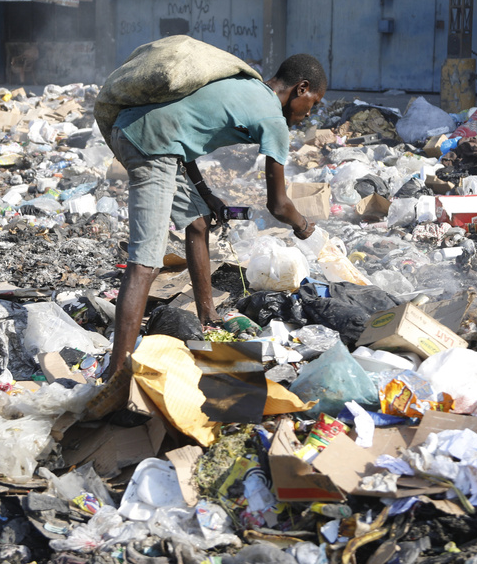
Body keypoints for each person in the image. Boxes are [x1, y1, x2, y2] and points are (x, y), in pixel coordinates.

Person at [103, 53, 326, 378]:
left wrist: (206, 195)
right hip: (149, 142)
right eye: (314, 103)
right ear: (301, 88)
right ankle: (117, 376)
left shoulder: (247, 88)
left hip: (143, 132)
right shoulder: (275, 121)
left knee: (198, 221)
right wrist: (305, 228)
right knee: (144, 263)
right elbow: (278, 205)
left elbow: (182, 134)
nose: (310, 114)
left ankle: (208, 316)